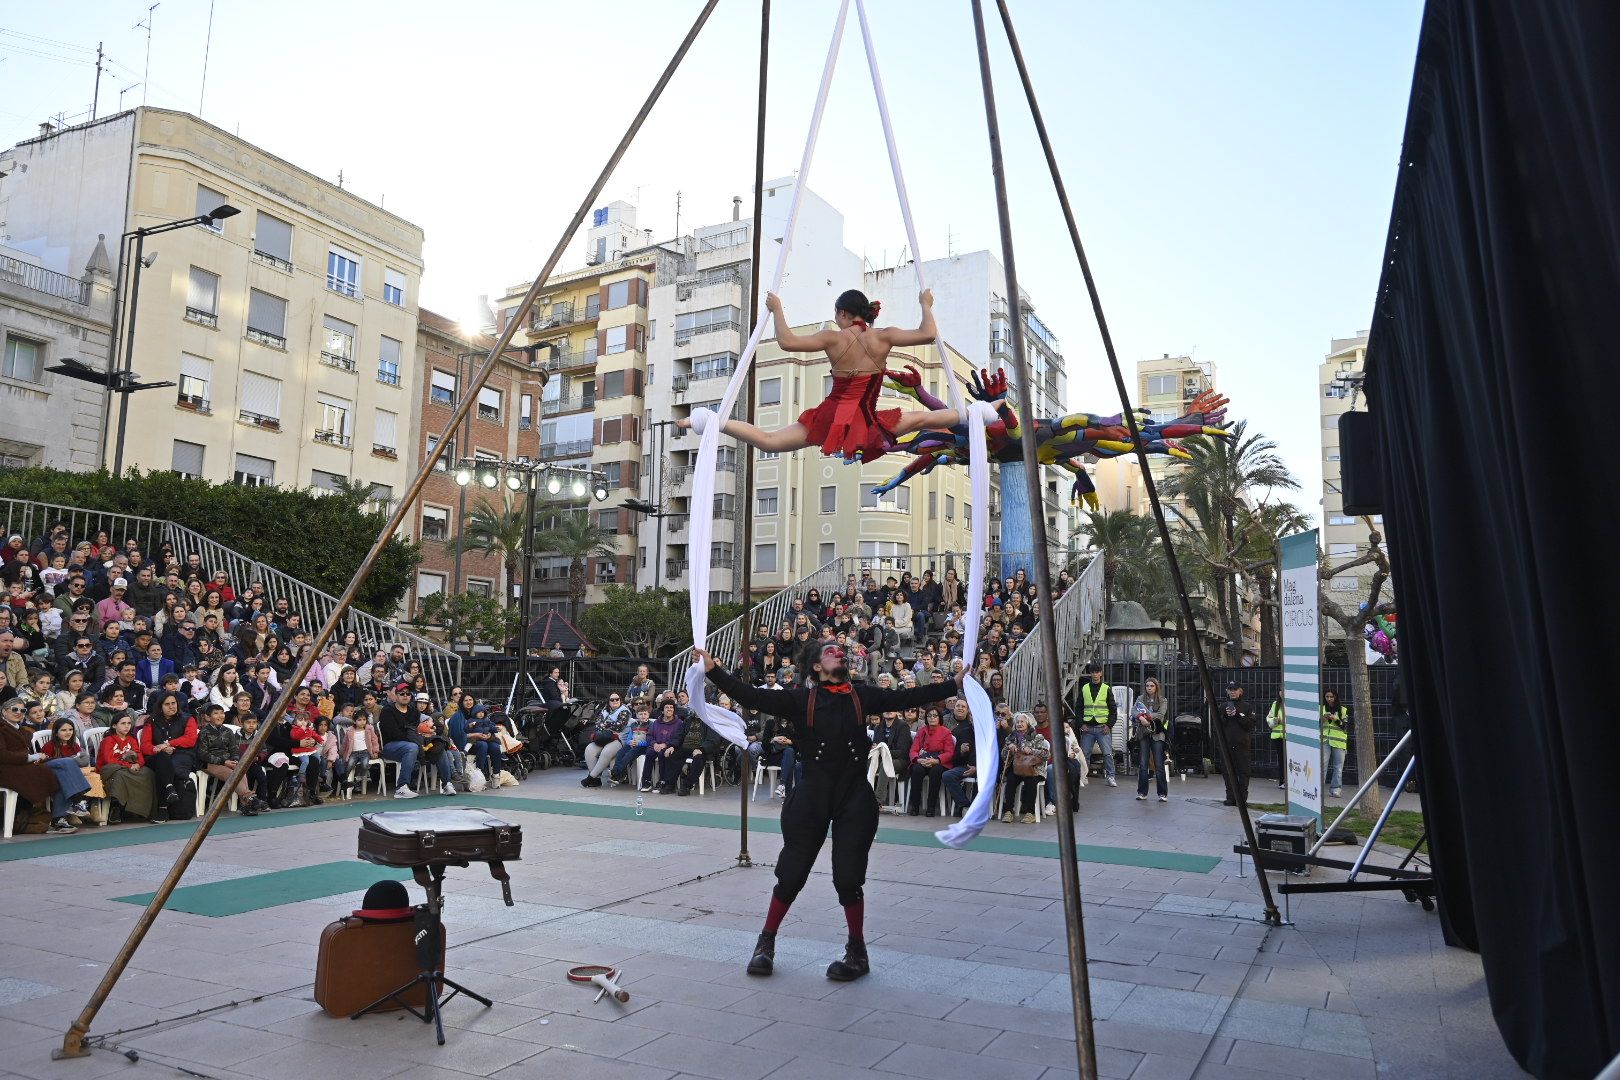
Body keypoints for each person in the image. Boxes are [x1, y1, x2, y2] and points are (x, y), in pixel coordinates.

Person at [696, 639, 959, 982]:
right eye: (831, 651)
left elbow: (908, 697)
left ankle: (857, 952)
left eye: (841, 651)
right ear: (817, 666)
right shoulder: (799, 699)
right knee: (791, 874)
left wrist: (955, 684)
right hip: (813, 794)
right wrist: (715, 671)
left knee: (849, 878)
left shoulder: (863, 695)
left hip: (853, 795)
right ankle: (765, 943)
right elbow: (751, 697)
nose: (840, 653)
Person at [676, 289, 959, 462]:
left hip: (831, 419)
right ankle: (978, 415)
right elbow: (928, 334)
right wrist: (925, 303)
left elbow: (786, 341)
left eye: (837, 315)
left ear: (843, 314)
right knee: (924, 418)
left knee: (769, 440)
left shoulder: (831, 339)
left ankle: (710, 420)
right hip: (868, 421)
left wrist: (777, 309)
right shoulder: (885, 337)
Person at [194, 702, 264, 816]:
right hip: (209, 763)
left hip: (228, 762)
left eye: (222, 713)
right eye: (215, 713)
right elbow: (203, 754)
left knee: (241, 770)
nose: (220, 716)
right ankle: (249, 799)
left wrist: (235, 760)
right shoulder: (204, 732)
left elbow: (234, 749)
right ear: (207, 717)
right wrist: (224, 762)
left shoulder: (228, 731)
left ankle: (246, 803)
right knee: (232, 774)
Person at [139, 690, 199, 820]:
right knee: (163, 760)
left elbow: (190, 739)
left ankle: (163, 809)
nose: (171, 706)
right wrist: (159, 749)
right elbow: (144, 746)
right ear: (160, 706)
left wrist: (167, 744)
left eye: (174, 703)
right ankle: (169, 788)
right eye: (167, 704)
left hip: (182, 753)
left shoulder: (188, 718)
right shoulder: (151, 721)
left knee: (167, 768)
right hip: (156, 756)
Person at [95, 711, 156, 822]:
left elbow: (139, 756)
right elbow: (109, 760)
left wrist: (138, 764)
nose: (127, 726)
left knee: (148, 773)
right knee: (120, 775)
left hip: (128, 767)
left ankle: (140, 810)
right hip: (110, 768)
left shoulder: (131, 740)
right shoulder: (108, 740)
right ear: (114, 725)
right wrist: (128, 765)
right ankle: (115, 807)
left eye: (128, 723)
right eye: (123, 723)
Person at [999, 712, 1050, 824]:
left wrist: (1032, 751)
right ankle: (1008, 811)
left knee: (1031, 782)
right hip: (1017, 768)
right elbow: (1003, 756)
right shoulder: (1010, 737)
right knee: (1011, 780)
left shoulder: (1037, 737)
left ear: (1028, 723)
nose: (1019, 724)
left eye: (1022, 721)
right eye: (1017, 722)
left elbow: (1046, 755)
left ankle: (1030, 813)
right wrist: (1009, 748)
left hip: (1034, 769)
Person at [906, 707, 955, 817]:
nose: (932, 718)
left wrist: (936, 760)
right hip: (923, 759)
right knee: (917, 770)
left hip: (939, 762)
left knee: (935, 772)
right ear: (926, 718)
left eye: (935, 715)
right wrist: (918, 759)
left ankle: (931, 807)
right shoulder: (921, 731)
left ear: (939, 718)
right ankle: (914, 806)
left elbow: (949, 752)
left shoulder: (946, 732)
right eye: (929, 716)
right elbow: (913, 750)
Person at [378, 682, 423, 798]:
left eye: (408, 694)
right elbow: (392, 734)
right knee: (412, 747)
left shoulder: (414, 711)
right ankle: (402, 787)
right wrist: (413, 736)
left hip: (411, 744)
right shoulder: (387, 711)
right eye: (402, 693)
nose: (405, 696)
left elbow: (416, 729)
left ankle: (446, 783)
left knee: (438, 746)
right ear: (396, 696)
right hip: (390, 746)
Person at [1077, 664, 1118, 787]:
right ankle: (1082, 776)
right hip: (1088, 728)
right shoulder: (1084, 688)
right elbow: (1078, 708)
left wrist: (1109, 725)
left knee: (1107, 754)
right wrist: (1081, 724)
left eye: (1097, 672)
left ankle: (1111, 777)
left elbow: (1113, 710)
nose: (1095, 674)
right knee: (1084, 754)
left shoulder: (1106, 689)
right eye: (1093, 672)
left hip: (1102, 728)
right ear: (1090, 674)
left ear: (1101, 673)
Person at [1217, 680, 1255, 806]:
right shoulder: (1222, 707)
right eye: (1230, 689)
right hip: (1226, 745)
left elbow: (1250, 724)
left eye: (1235, 689)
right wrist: (1226, 717)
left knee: (1243, 772)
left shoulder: (1247, 706)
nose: (1232, 692)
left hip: (1242, 745)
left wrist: (1238, 715)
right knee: (1228, 772)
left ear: (1240, 691)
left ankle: (1242, 799)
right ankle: (1230, 797)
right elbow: (1217, 726)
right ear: (1227, 691)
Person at [1134, 676, 1170, 803]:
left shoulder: (1162, 700)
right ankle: (1142, 792)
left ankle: (1162, 793)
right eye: (1147, 686)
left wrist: (1145, 717)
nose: (1149, 688)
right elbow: (1133, 711)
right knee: (1143, 764)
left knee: (1159, 764)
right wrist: (1139, 716)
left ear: (1156, 687)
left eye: (1152, 686)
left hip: (1157, 734)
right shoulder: (1140, 698)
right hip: (1144, 734)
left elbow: (1160, 715)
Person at [581, 693, 629, 788]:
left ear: (620, 700)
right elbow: (598, 725)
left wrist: (605, 725)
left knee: (606, 751)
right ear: (609, 701)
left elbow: (619, 726)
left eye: (617, 699)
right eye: (612, 700)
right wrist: (609, 726)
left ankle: (591, 777)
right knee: (589, 749)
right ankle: (596, 780)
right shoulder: (604, 711)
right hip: (604, 737)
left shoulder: (625, 711)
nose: (615, 701)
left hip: (618, 738)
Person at [1320, 689, 1349, 797]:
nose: (1329, 699)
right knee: (1322, 765)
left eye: (1331, 697)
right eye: (1327, 697)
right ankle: (1319, 789)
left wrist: (1336, 719)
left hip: (1339, 742)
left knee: (1338, 767)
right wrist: (1322, 719)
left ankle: (1336, 789)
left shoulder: (1343, 710)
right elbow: (1315, 724)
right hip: (1324, 740)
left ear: (1335, 697)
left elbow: (1345, 727)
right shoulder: (1321, 709)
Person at [1266, 690, 1287, 787]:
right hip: (1278, 737)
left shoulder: (1294, 704)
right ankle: (1283, 781)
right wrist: (1276, 720)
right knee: (1282, 759)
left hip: (1290, 737)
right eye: (1281, 690)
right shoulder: (1276, 704)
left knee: (1291, 760)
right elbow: (1269, 719)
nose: (1283, 692)